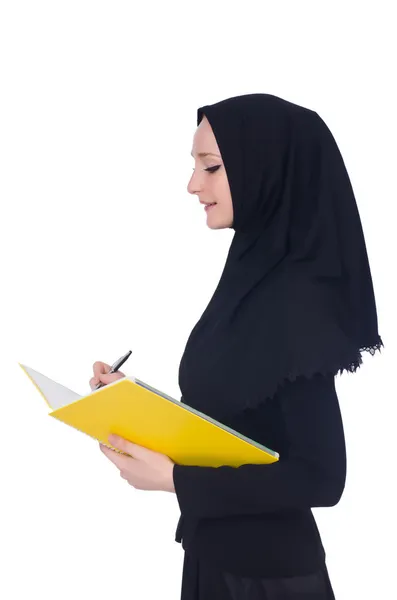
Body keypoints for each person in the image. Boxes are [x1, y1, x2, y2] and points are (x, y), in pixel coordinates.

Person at [90, 94, 383, 599]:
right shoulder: (250, 278)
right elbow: (236, 419)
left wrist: (179, 482)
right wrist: (136, 408)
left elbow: (321, 476)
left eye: (212, 167)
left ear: (263, 168)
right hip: (215, 559)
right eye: (195, 166)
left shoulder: (296, 298)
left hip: (266, 582)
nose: (192, 185)